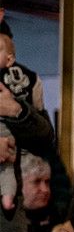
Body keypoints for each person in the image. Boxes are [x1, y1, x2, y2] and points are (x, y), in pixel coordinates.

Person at [0, 33, 45, 211]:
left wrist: (17, 110)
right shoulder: (30, 79)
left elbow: (45, 136)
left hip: (9, 219)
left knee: (8, 168)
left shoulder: (30, 80)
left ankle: (8, 197)